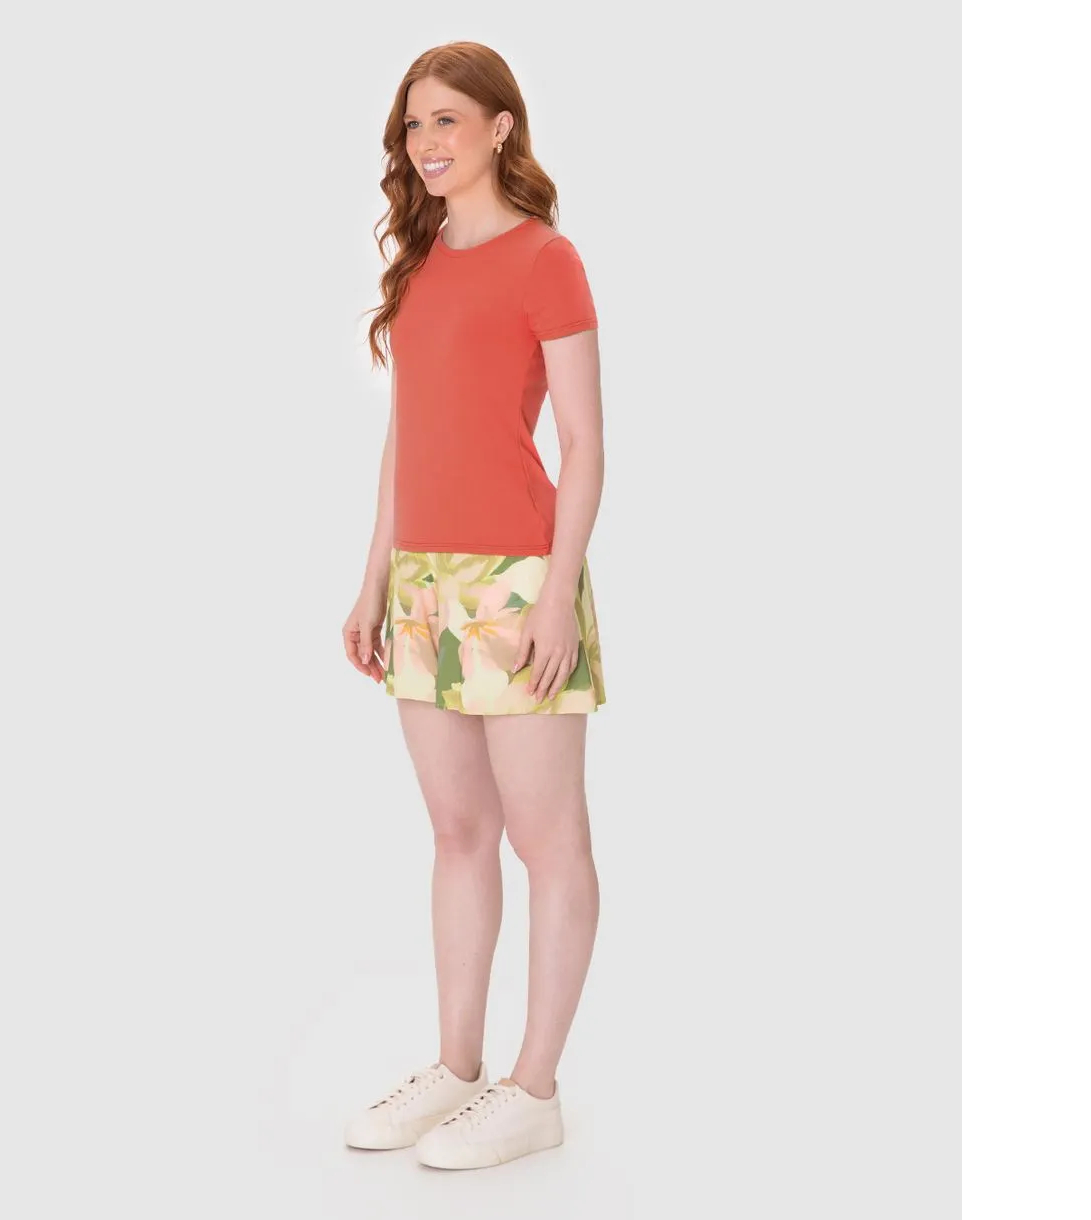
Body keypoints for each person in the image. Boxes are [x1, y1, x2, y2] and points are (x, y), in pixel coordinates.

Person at [339, 41, 608, 1172]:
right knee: (456, 833)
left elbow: (584, 444)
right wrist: (374, 578)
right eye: (413, 126)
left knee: (548, 839)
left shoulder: (547, 259)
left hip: (515, 582)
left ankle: (532, 1089)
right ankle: (456, 1067)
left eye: (447, 119)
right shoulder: (419, 266)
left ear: (500, 127)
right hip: (424, 583)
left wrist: (556, 593)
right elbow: (408, 435)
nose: (426, 143)